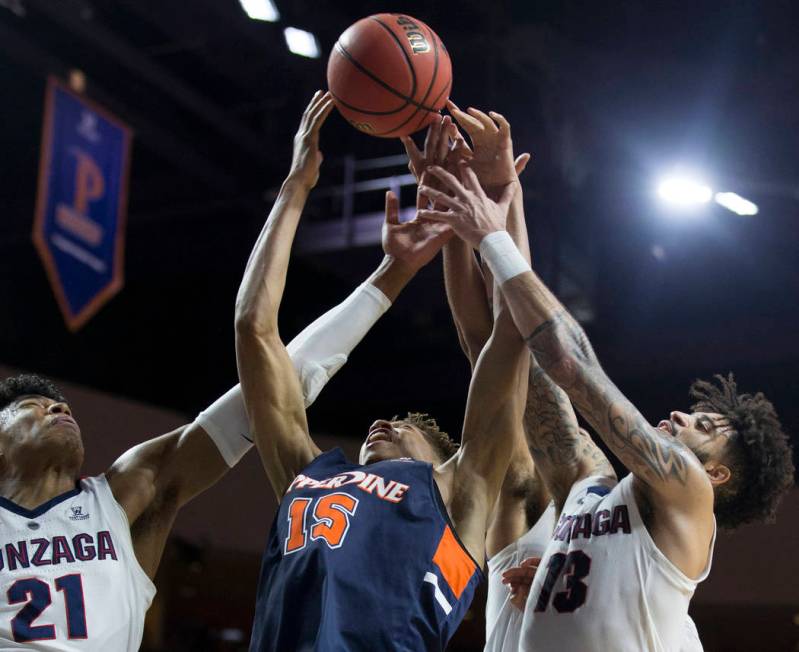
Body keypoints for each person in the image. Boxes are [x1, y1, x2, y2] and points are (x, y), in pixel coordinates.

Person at [0, 106, 415, 651]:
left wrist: (387, 277)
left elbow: (264, 392)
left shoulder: (123, 498)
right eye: (31, 406)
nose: (58, 408)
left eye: (59, 404)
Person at [415, 113, 795, 650]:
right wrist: (499, 193)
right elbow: (504, 351)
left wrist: (491, 235)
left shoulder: (687, 493)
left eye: (704, 426)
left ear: (716, 473)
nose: (683, 415)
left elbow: (573, 365)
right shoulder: (587, 485)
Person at [235, 91, 527, 652]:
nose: (382, 423)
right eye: (392, 419)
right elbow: (254, 329)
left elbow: (510, 333)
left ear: (443, 457)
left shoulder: (460, 490)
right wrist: (296, 186)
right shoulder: (310, 475)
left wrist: (493, 203)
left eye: (405, 425)